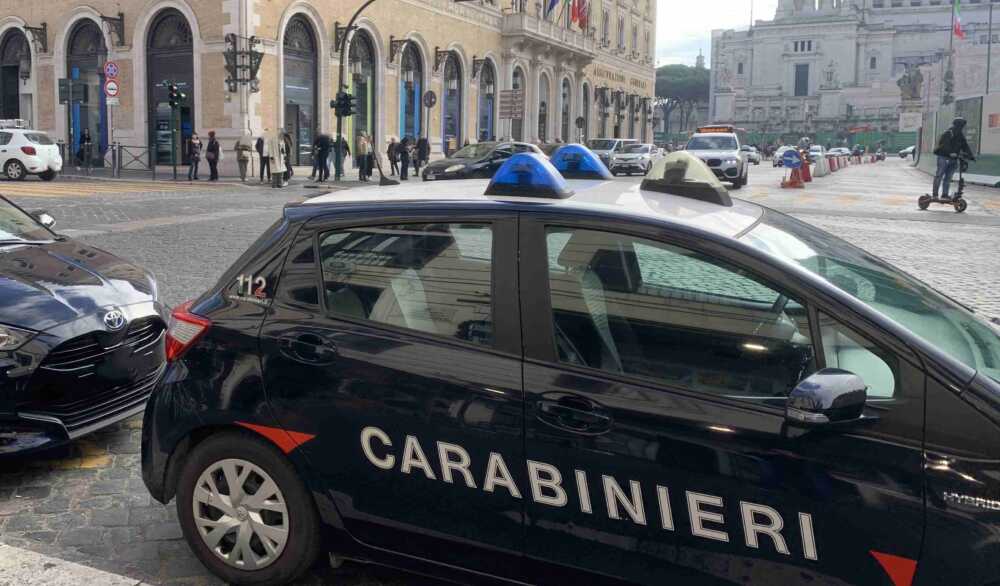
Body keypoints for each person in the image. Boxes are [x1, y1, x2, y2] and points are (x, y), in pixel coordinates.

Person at [932, 117, 975, 201]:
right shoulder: (948, 133)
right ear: (957, 125)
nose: (962, 127)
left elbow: (965, 146)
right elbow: (944, 145)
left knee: (948, 178)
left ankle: (944, 195)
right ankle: (935, 194)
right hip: (943, 157)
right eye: (961, 125)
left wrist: (971, 156)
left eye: (963, 125)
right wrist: (950, 152)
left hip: (953, 159)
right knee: (939, 175)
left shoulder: (960, 135)